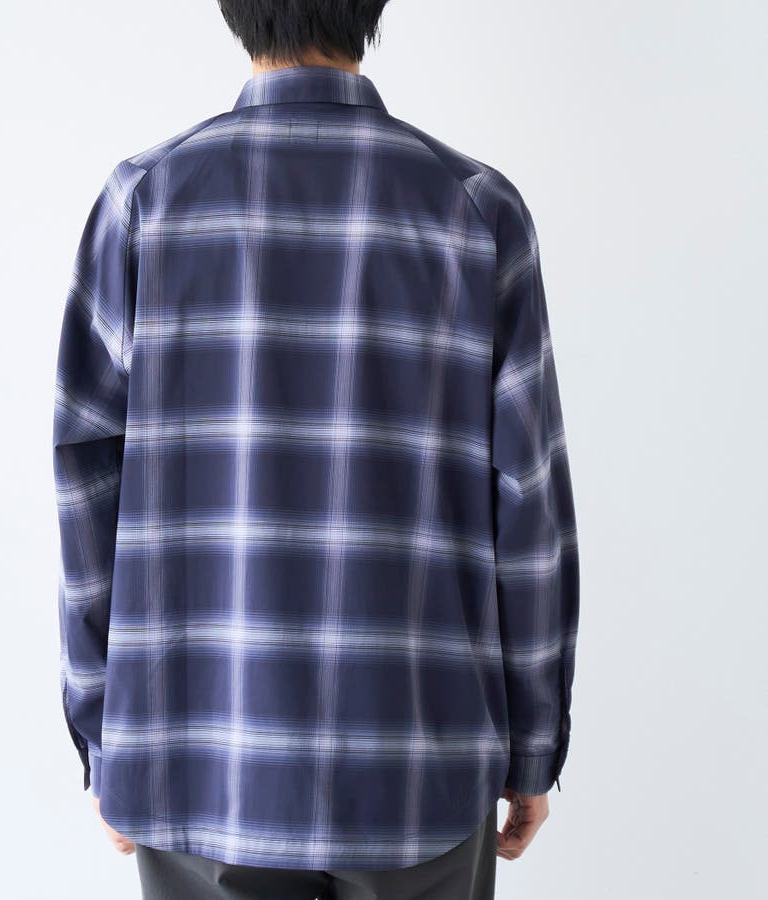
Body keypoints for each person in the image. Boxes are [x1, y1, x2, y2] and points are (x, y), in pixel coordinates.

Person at [51, 2, 580, 898]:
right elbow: (529, 505)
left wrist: (108, 739)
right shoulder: (475, 209)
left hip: (195, 763)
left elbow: (84, 483)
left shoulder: (145, 202)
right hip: (419, 765)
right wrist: (534, 745)